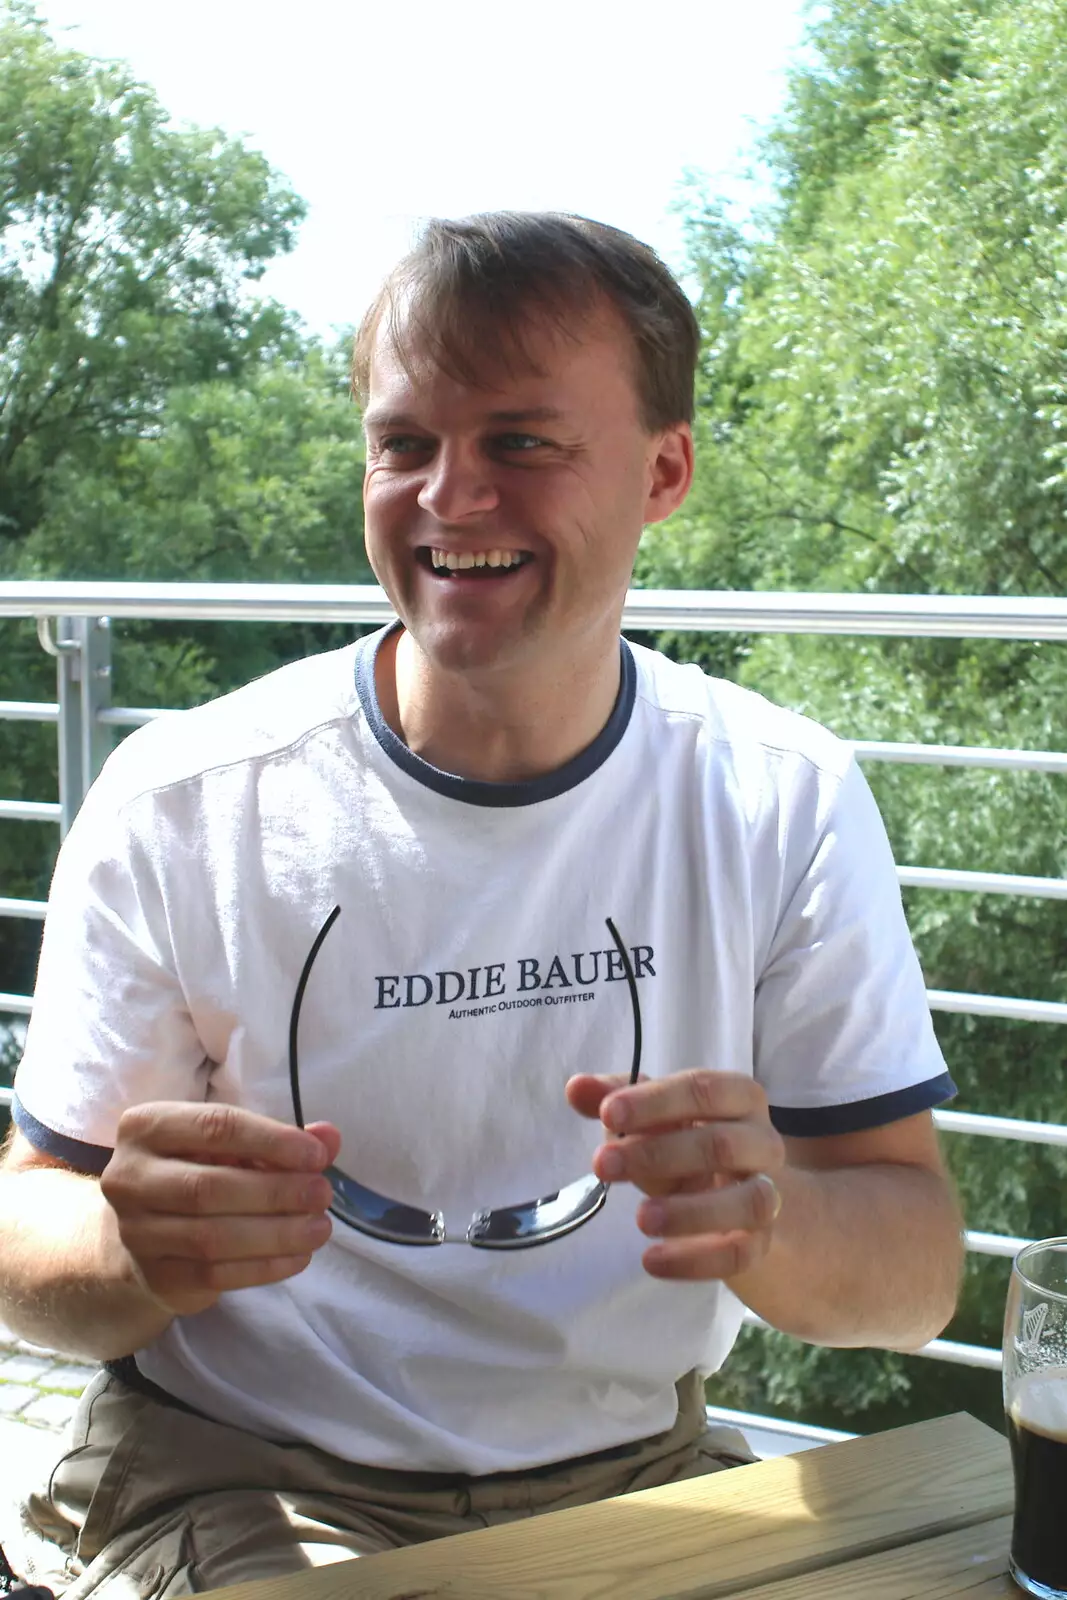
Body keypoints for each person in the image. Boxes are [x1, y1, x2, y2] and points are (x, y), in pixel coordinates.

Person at [0, 212, 963, 1597]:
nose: (449, 497)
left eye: (520, 441)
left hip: (644, 1469)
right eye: (404, 445)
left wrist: (777, 1222)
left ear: (663, 472)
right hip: (239, 1471)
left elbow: (916, 1273)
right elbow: (29, 1243)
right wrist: (127, 1246)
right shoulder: (187, 798)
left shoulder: (775, 794)